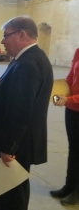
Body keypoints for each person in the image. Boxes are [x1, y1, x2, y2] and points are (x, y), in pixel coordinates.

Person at [0, 16, 53, 210]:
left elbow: (21, 110)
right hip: (18, 143)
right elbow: (18, 96)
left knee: (10, 200)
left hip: (15, 146)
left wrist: (8, 147)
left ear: (22, 34)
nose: (2, 41)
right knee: (11, 195)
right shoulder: (29, 58)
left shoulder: (27, 64)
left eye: (5, 36)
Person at [50, 47, 79, 206]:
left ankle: (78, 192)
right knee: (74, 150)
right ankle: (69, 186)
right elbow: (70, 78)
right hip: (73, 110)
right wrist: (57, 92)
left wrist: (69, 99)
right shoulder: (78, 51)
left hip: (73, 104)